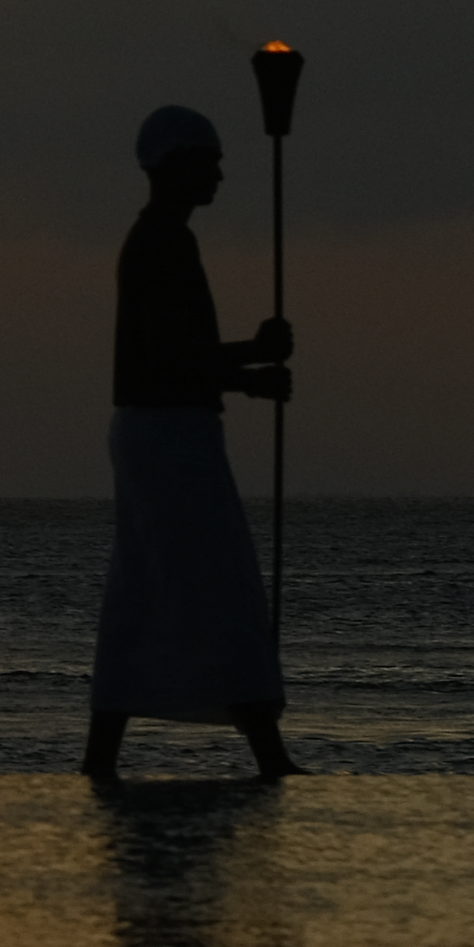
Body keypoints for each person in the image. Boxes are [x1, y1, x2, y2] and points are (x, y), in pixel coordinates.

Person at [86, 104, 298, 781]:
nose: (221, 174)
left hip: (159, 432)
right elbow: (170, 356)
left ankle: (102, 758)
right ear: (178, 165)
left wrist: (248, 379)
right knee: (221, 586)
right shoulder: (163, 243)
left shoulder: (158, 238)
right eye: (210, 161)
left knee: (146, 590)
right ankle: (271, 758)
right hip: (169, 437)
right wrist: (252, 354)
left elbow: (172, 360)